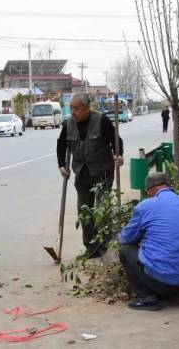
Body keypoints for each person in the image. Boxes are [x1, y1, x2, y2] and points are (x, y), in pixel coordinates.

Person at [119, 173, 179, 311]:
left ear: (149, 191)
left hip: (161, 283)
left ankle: (146, 297)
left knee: (125, 250)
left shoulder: (145, 206)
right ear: (169, 186)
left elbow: (126, 238)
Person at [56, 94, 123, 258]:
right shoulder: (68, 124)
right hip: (82, 173)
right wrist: (61, 165)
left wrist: (119, 154)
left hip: (102, 172)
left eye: (76, 108)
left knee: (101, 210)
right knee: (84, 211)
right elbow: (61, 144)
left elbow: (116, 140)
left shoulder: (101, 121)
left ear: (86, 108)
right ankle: (91, 249)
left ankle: (105, 247)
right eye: (71, 108)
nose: (72, 112)